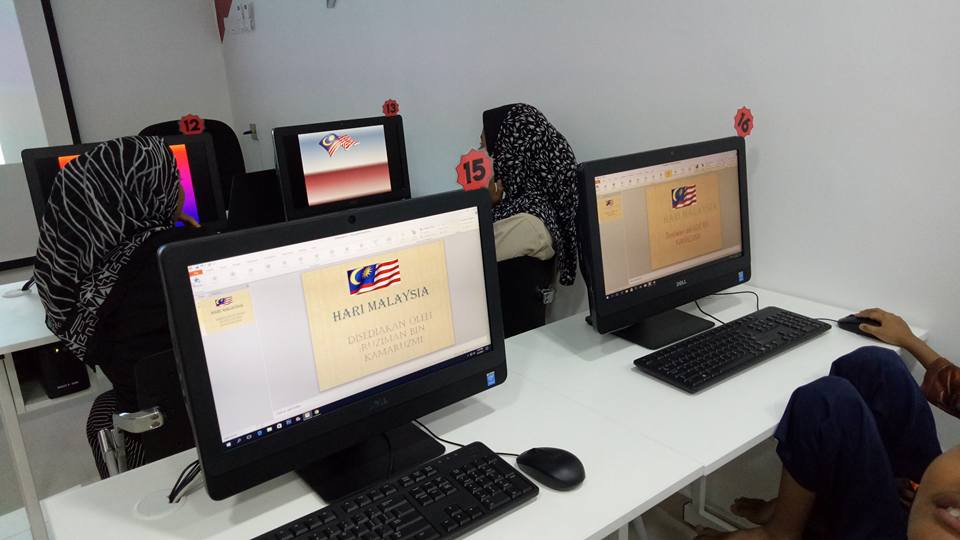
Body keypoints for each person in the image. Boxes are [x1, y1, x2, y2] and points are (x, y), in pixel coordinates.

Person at [695, 308, 960, 540]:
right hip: (920, 491)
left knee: (826, 402)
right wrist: (909, 340)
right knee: (876, 366)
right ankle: (795, 509)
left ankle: (780, 532)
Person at [33, 136, 201, 477]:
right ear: (150, 193)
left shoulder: (78, 289)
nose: (181, 192)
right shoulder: (193, 255)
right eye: (174, 182)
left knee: (101, 410)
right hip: (227, 422)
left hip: (159, 435)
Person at [480, 103, 580, 286]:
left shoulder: (526, 225)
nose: (482, 164)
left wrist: (482, 206)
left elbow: (464, 260)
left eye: (486, 150)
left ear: (512, 154)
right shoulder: (535, 210)